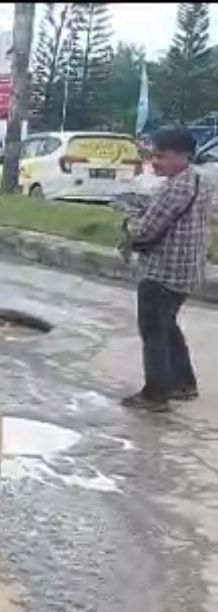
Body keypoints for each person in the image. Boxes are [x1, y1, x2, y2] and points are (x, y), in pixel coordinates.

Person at [119, 127, 213, 412]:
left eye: (161, 156)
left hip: (161, 272)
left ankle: (155, 394)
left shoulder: (175, 188)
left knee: (154, 333)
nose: (154, 162)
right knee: (168, 327)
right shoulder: (200, 179)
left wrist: (128, 225)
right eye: (152, 155)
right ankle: (183, 383)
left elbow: (145, 232)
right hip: (186, 270)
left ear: (183, 155)